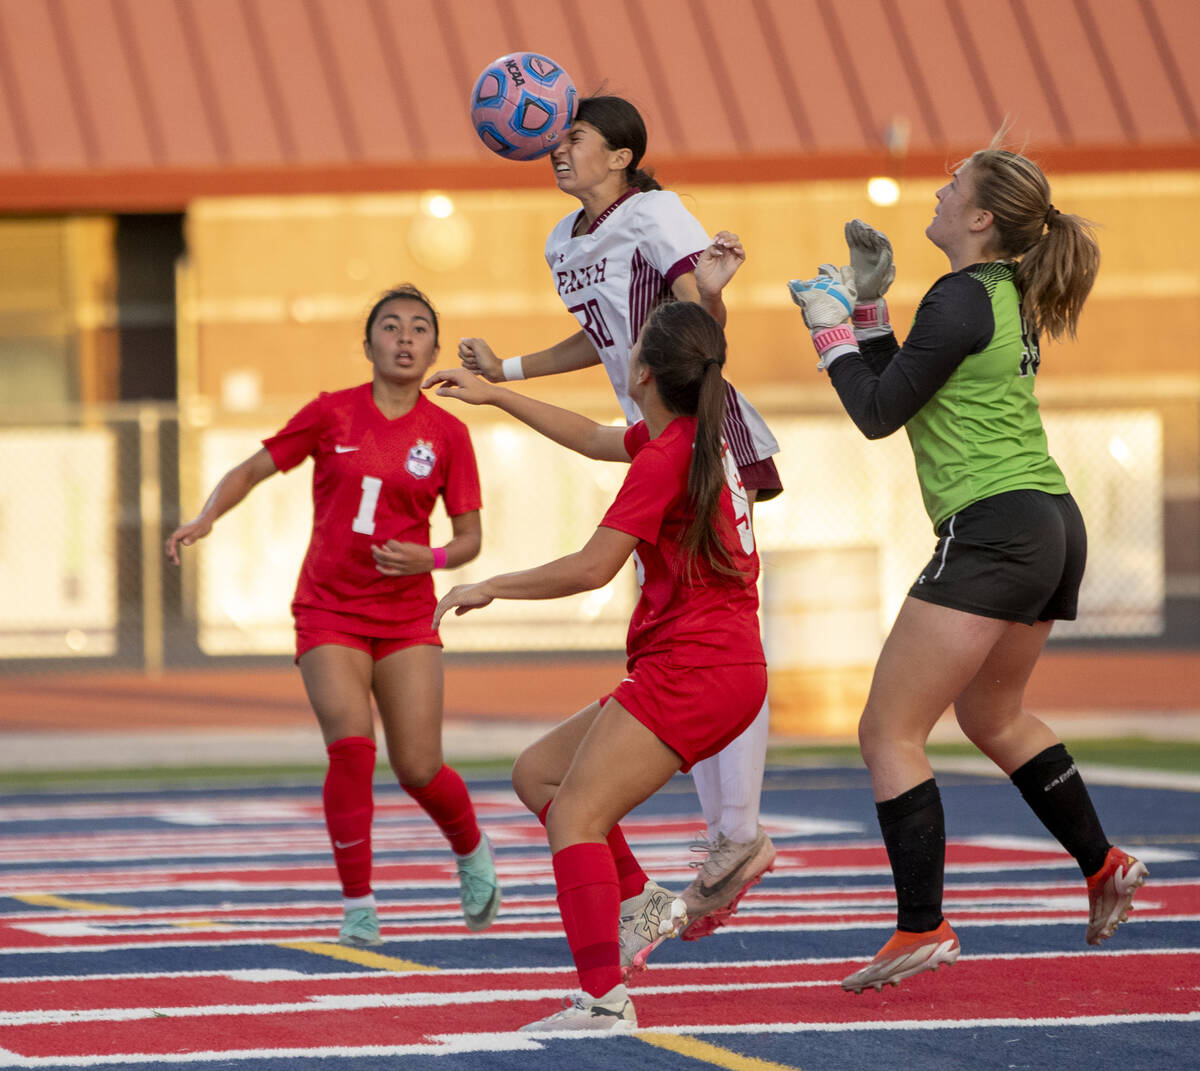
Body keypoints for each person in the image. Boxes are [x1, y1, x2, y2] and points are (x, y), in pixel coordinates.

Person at [786, 138, 1148, 994]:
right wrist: (871, 316)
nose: (941, 193)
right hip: (1050, 520)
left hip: (993, 526)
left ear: (981, 217)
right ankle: (1103, 864)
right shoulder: (999, 290)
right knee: (995, 712)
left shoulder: (959, 295)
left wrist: (830, 327)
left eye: (955, 186)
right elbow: (910, 387)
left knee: (887, 729)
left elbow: (876, 412)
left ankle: (923, 924)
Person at [458, 94, 779, 941]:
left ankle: (736, 831)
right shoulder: (565, 238)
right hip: (650, 430)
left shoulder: (657, 213)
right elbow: (605, 339)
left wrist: (709, 296)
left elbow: (691, 331)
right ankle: (696, 859)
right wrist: (510, 373)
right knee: (683, 626)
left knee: (710, 625)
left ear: (624, 155)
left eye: (574, 137)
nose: (557, 150)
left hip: (700, 429)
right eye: (556, 136)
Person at [428, 300, 767, 1032]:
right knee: (539, 774)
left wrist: (489, 584)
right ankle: (644, 905)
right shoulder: (688, 437)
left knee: (577, 814)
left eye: (629, 348)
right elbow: (589, 435)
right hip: (711, 662)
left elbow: (592, 567)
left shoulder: (668, 455)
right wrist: (496, 394)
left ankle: (603, 999)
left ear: (641, 371)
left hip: (698, 666)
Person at [165, 284, 501, 947]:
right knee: (351, 744)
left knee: (419, 767)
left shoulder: (449, 433)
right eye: (391, 327)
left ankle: (472, 850)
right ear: (369, 342)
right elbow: (254, 467)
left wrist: (427, 556)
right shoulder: (331, 413)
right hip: (328, 608)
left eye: (419, 329)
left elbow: (469, 539)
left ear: (435, 346)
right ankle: (358, 904)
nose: (405, 338)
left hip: (406, 616)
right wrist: (205, 515)